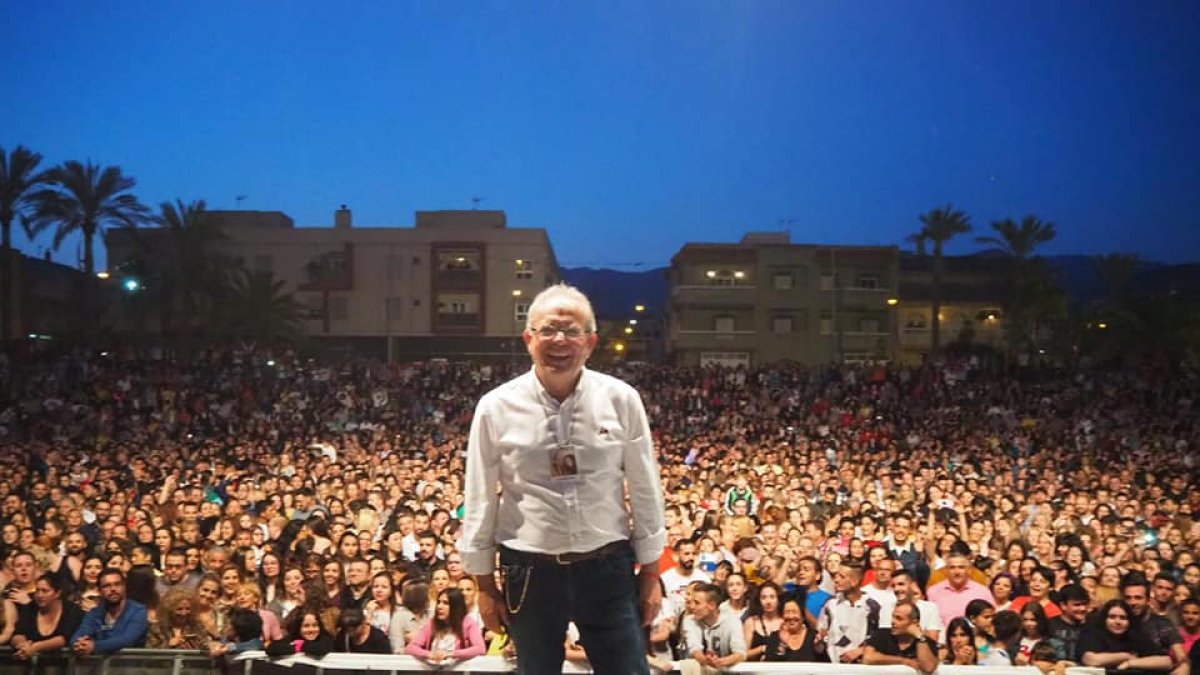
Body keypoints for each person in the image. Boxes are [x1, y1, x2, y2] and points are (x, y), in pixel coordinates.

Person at [459, 284, 666, 675]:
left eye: (572, 332)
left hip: (607, 566)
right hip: (530, 570)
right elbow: (481, 497)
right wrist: (484, 585)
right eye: (549, 330)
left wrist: (652, 572)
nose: (560, 341)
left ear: (590, 342)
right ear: (528, 339)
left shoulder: (622, 399)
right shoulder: (496, 406)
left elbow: (645, 487)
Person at [70, 568, 149, 655]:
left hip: (131, 666)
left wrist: (95, 646)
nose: (113, 589)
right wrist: (79, 644)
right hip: (100, 667)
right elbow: (79, 635)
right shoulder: (95, 613)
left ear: (124, 586)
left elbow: (127, 639)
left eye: (117, 584)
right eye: (106, 586)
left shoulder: (138, 611)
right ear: (99, 590)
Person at [1079, 599, 1172, 671]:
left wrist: (1131, 663)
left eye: (1123, 618)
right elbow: (1091, 660)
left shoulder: (1135, 635)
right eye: (1112, 617)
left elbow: (1167, 662)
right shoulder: (1093, 632)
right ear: (1104, 619)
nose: (1117, 622)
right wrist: (1125, 656)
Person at [9, 573, 85, 660]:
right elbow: (18, 633)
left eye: (45, 591)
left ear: (57, 593)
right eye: (37, 590)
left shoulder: (72, 610)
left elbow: (64, 638)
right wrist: (22, 645)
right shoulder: (30, 608)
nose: (39, 595)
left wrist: (35, 647)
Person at [405, 587, 485, 665]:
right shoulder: (432, 623)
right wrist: (430, 654)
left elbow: (480, 648)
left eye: (445, 603)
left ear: (456, 606)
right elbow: (411, 648)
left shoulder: (468, 623)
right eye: (439, 602)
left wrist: (450, 654)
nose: (439, 607)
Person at [681, 582, 748, 671]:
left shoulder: (732, 621)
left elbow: (740, 653)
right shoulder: (690, 620)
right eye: (691, 602)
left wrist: (720, 662)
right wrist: (707, 661)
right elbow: (694, 649)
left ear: (712, 605)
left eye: (697, 603)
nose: (692, 606)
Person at [863, 601, 939, 674]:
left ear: (914, 623)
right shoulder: (882, 634)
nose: (893, 621)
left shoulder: (926, 642)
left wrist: (919, 637)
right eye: (893, 617)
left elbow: (928, 668)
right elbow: (868, 658)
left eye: (899, 618)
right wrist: (904, 661)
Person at [926, 552, 995, 628]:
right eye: (952, 567)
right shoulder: (933, 592)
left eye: (961, 567)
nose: (957, 572)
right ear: (946, 570)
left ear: (969, 570)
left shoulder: (983, 592)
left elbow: (992, 620)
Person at [761, 594, 819, 662]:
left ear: (803, 616)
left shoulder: (814, 637)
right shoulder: (774, 637)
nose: (791, 616)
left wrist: (819, 648)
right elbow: (769, 664)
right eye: (787, 612)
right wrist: (782, 645)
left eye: (794, 612)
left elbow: (825, 664)